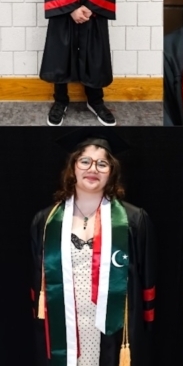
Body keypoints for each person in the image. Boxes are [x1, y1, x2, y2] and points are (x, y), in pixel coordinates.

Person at [32, 132, 156, 366]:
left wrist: (145, 322)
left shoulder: (133, 220)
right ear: (73, 168)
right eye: (85, 161)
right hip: (65, 321)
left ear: (112, 172)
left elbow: (146, 279)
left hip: (113, 326)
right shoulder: (45, 221)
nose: (93, 169)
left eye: (102, 163)